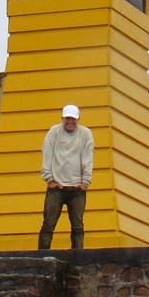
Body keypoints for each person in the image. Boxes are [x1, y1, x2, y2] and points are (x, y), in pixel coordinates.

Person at [38, 104, 94, 250]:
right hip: (56, 188)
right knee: (48, 225)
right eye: (67, 118)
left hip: (77, 188)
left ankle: (78, 257)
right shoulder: (54, 132)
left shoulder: (85, 134)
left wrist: (85, 182)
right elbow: (47, 154)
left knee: (78, 227)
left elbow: (88, 158)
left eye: (73, 119)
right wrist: (49, 179)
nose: (70, 122)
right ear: (62, 118)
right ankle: (42, 256)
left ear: (78, 119)